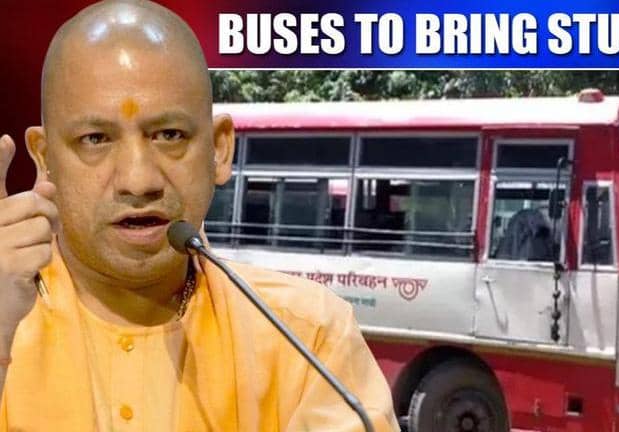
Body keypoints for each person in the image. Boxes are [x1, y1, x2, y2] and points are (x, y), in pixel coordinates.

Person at [0, 1, 398, 430]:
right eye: (95, 138)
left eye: (169, 135)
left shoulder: (307, 336)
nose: (138, 180)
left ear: (219, 149)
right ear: (45, 160)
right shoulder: (7, 315)